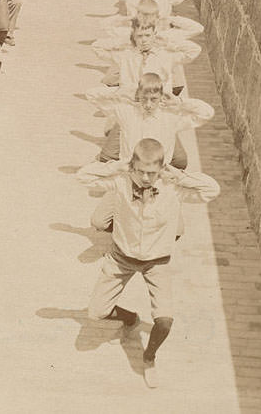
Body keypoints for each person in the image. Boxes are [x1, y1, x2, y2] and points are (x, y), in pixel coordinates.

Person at [77, 138, 220, 388]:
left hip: (157, 262)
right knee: (96, 313)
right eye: (141, 172)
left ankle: (149, 357)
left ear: (161, 169)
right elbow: (83, 176)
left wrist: (177, 175)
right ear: (133, 167)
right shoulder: (121, 183)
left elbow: (211, 189)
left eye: (151, 173)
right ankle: (129, 318)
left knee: (165, 320)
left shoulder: (173, 188)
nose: (145, 178)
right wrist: (119, 166)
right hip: (121, 258)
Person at [85, 72, 214, 167]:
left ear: (161, 97)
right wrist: (127, 92)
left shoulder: (170, 117)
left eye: (153, 99)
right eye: (143, 98)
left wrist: (179, 101)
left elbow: (206, 112)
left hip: (157, 173)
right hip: (131, 171)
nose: (148, 104)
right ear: (138, 96)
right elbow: (92, 95)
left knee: (180, 161)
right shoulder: (127, 113)